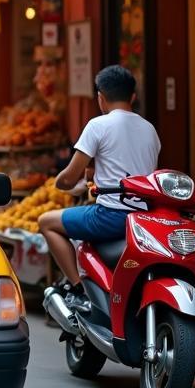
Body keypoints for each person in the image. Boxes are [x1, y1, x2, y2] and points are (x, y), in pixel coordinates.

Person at [38, 64, 160, 311]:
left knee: (45, 221)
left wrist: (60, 182)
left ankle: (78, 288)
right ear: (133, 97)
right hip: (144, 219)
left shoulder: (98, 125)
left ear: (101, 98)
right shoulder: (150, 130)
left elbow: (70, 178)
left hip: (110, 217)